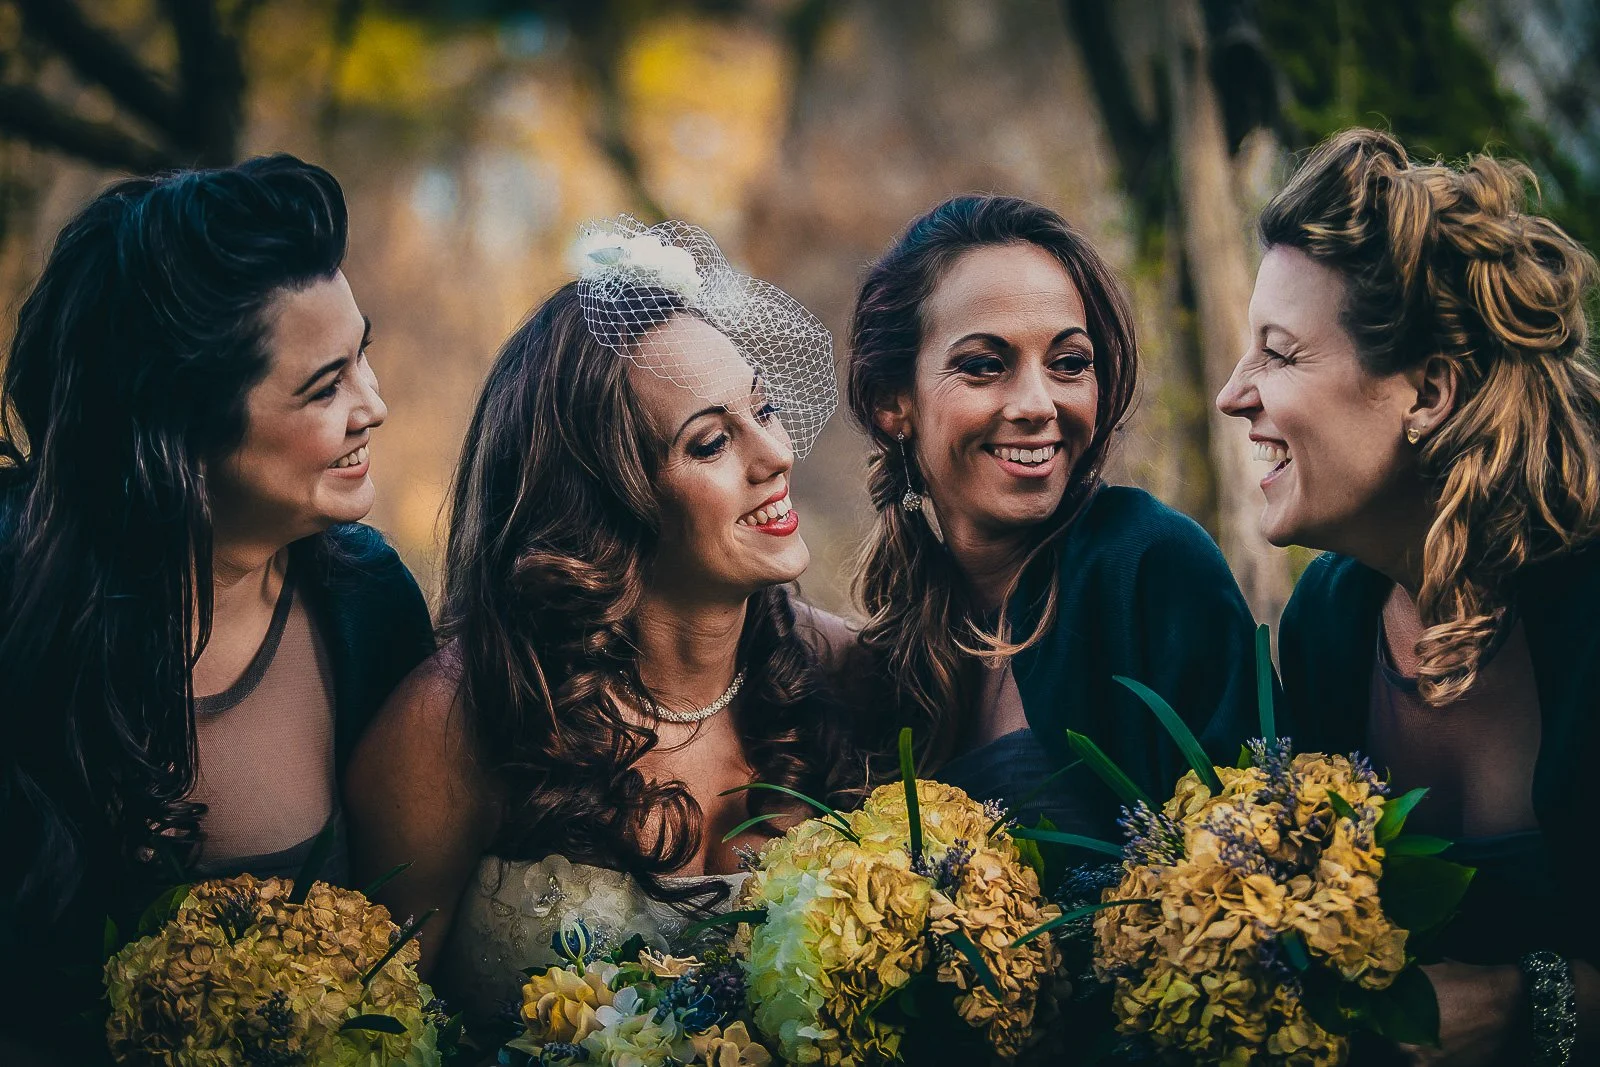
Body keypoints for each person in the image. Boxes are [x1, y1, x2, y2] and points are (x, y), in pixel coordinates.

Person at [346, 219, 855, 1033]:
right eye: (713, 440)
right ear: (605, 499)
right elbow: (365, 1034)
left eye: (765, 407)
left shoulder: (836, 667)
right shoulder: (458, 718)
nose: (775, 454)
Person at [0, 156, 434, 1063]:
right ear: (176, 438)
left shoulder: (369, 606)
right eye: (325, 386)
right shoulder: (19, 616)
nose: (376, 405)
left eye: (364, 353)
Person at [1217, 127, 1598, 1065]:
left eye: (1278, 353)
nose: (1234, 394)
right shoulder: (1327, 627)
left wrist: (1521, 1006)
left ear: (1427, 389)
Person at [846, 193, 1260, 840]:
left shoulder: (1152, 566)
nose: (1038, 403)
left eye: (1069, 363)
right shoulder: (890, 649)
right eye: (985, 365)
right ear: (891, 402)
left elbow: (1255, 868)